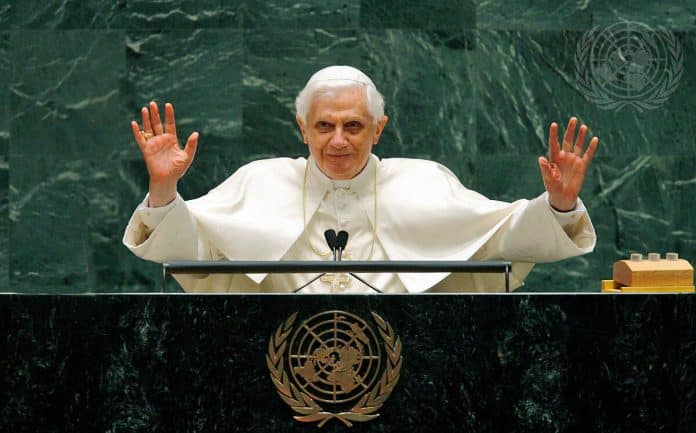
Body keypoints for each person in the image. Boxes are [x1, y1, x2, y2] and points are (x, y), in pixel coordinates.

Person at [123, 65, 598, 293]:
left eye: (353, 126)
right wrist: (164, 189)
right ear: (302, 128)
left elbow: (502, 241)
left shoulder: (425, 183)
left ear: (379, 128)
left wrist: (557, 205)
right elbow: (194, 255)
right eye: (324, 126)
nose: (338, 141)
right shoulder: (258, 182)